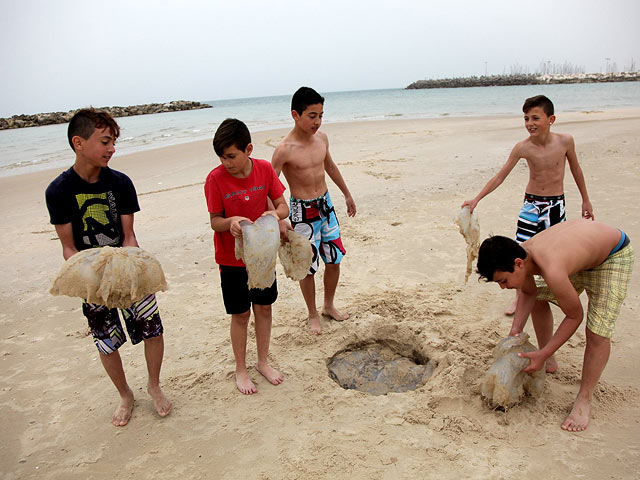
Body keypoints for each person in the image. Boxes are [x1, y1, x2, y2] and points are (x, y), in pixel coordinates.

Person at [45, 108, 172, 426]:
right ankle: (125, 395)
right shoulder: (58, 191)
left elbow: (129, 237)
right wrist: (92, 279)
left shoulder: (121, 183)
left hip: (128, 269)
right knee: (105, 339)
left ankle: (154, 385)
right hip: (91, 276)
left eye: (113, 142)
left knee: (152, 329)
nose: (111, 148)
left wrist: (132, 271)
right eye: (105, 141)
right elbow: (69, 248)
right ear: (79, 142)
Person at [477, 219, 634, 431]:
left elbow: (574, 316)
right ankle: (548, 360)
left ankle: (584, 399)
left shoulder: (551, 268)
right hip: (579, 256)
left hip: (611, 256)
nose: (503, 288)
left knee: (597, 332)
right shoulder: (524, 253)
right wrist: (516, 330)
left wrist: (543, 351)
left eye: (503, 281)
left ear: (518, 263)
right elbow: (529, 291)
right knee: (540, 295)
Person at [462, 95, 594, 315]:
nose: (530, 123)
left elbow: (576, 170)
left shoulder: (565, 141)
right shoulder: (523, 147)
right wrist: (477, 198)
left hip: (555, 206)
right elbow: (500, 176)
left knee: (554, 252)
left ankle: (555, 290)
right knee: (521, 251)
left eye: (535, 118)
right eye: (526, 118)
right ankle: (520, 295)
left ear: (551, 119)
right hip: (532, 205)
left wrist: (585, 199)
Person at [204, 118, 289, 394]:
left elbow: (283, 206)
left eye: (231, 156)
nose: (226, 162)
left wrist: (273, 215)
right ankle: (241, 368)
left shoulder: (264, 170)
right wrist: (229, 223)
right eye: (221, 156)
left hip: (262, 254)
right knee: (240, 314)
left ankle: (263, 362)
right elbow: (214, 220)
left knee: (264, 308)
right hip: (231, 259)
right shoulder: (215, 179)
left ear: (248, 149)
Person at [271, 87, 357, 335]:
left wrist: (347, 193)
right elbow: (269, 186)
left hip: (326, 206)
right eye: (312, 116)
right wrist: (278, 218)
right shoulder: (284, 149)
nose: (317, 122)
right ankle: (312, 314)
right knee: (307, 267)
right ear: (295, 114)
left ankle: (329, 305)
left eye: (320, 115)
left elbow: (329, 165)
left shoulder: (322, 139)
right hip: (301, 212)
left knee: (334, 258)